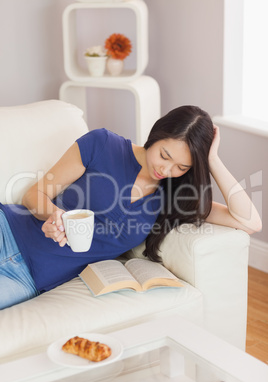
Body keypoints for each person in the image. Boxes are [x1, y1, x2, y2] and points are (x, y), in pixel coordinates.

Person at [0, 105, 262, 309]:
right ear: (156, 134)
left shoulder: (176, 198)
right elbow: (35, 193)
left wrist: (212, 160)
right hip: (7, 230)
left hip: (27, 278)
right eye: (164, 155)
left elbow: (250, 222)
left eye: (181, 167)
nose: (165, 169)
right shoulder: (102, 144)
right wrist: (53, 214)